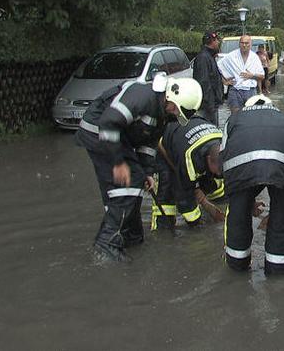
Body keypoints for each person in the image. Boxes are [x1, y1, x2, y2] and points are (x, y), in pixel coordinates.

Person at [76, 73, 196, 261]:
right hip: (100, 133)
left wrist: (147, 172)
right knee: (128, 183)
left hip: (118, 136)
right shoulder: (142, 96)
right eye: (176, 109)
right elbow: (108, 122)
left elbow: (148, 145)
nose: (175, 113)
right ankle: (106, 243)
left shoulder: (163, 113)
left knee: (137, 180)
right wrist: (118, 162)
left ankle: (131, 237)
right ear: (170, 97)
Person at [221, 94, 284, 275]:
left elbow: (224, 159)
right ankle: (278, 272)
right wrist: (280, 206)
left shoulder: (233, 120)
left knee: (237, 212)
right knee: (283, 214)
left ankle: (237, 268)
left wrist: (244, 199)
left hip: (242, 166)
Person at [151, 94, 225, 230]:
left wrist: (204, 194)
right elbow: (183, 194)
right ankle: (162, 229)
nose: (220, 173)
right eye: (218, 170)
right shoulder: (189, 158)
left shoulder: (224, 143)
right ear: (209, 160)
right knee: (166, 197)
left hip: (189, 130)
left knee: (219, 188)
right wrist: (197, 224)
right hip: (167, 147)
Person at [218, 35, 265, 114]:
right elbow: (217, 67)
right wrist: (224, 81)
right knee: (235, 116)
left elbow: (262, 76)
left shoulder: (254, 57)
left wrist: (252, 76)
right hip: (235, 90)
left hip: (250, 91)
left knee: (251, 115)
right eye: (242, 43)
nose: (244, 45)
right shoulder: (231, 56)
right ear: (239, 44)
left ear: (250, 44)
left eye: (246, 43)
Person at [191, 31, 224, 125]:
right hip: (207, 106)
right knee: (211, 129)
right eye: (216, 40)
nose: (218, 42)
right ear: (212, 42)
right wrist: (210, 106)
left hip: (211, 104)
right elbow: (204, 83)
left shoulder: (209, 56)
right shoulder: (203, 58)